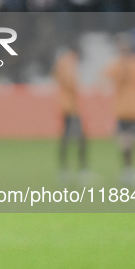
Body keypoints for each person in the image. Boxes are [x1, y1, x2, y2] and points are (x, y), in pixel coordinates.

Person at [102, 32, 135, 185]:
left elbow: (102, 81)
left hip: (124, 109)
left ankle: (130, 172)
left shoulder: (116, 64)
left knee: (127, 140)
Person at [52, 42, 88, 184]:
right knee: (79, 138)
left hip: (64, 103)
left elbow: (55, 75)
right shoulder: (69, 62)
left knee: (66, 137)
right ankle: (80, 170)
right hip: (71, 106)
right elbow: (70, 81)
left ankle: (64, 170)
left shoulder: (62, 61)